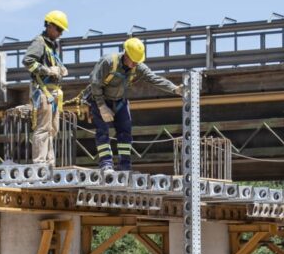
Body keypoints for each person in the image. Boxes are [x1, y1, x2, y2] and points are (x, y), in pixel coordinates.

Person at [82, 37, 183, 171]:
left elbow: (153, 78)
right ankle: (106, 164)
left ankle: (125, 167)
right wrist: (102, 106)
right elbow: (95, 84)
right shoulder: (108, 62)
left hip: (119, 102)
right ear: (126, 55)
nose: (135, 64)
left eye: (137, 61)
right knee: (102, 132)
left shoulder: (138, 67)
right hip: (99, 99)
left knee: (125, 133)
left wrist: (174, 88)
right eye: (133, 61)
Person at [21, 10, 69, 165]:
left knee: (53, 129)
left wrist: (60, 70)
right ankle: (40, 165)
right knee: (43, 128)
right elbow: (28, 61)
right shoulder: (39, 42)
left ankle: (49, 164)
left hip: (53, 92)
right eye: (59, 29)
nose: (61, 34)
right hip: (43, 91)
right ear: (50, 26)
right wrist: (47, 70)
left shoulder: (52, 46)